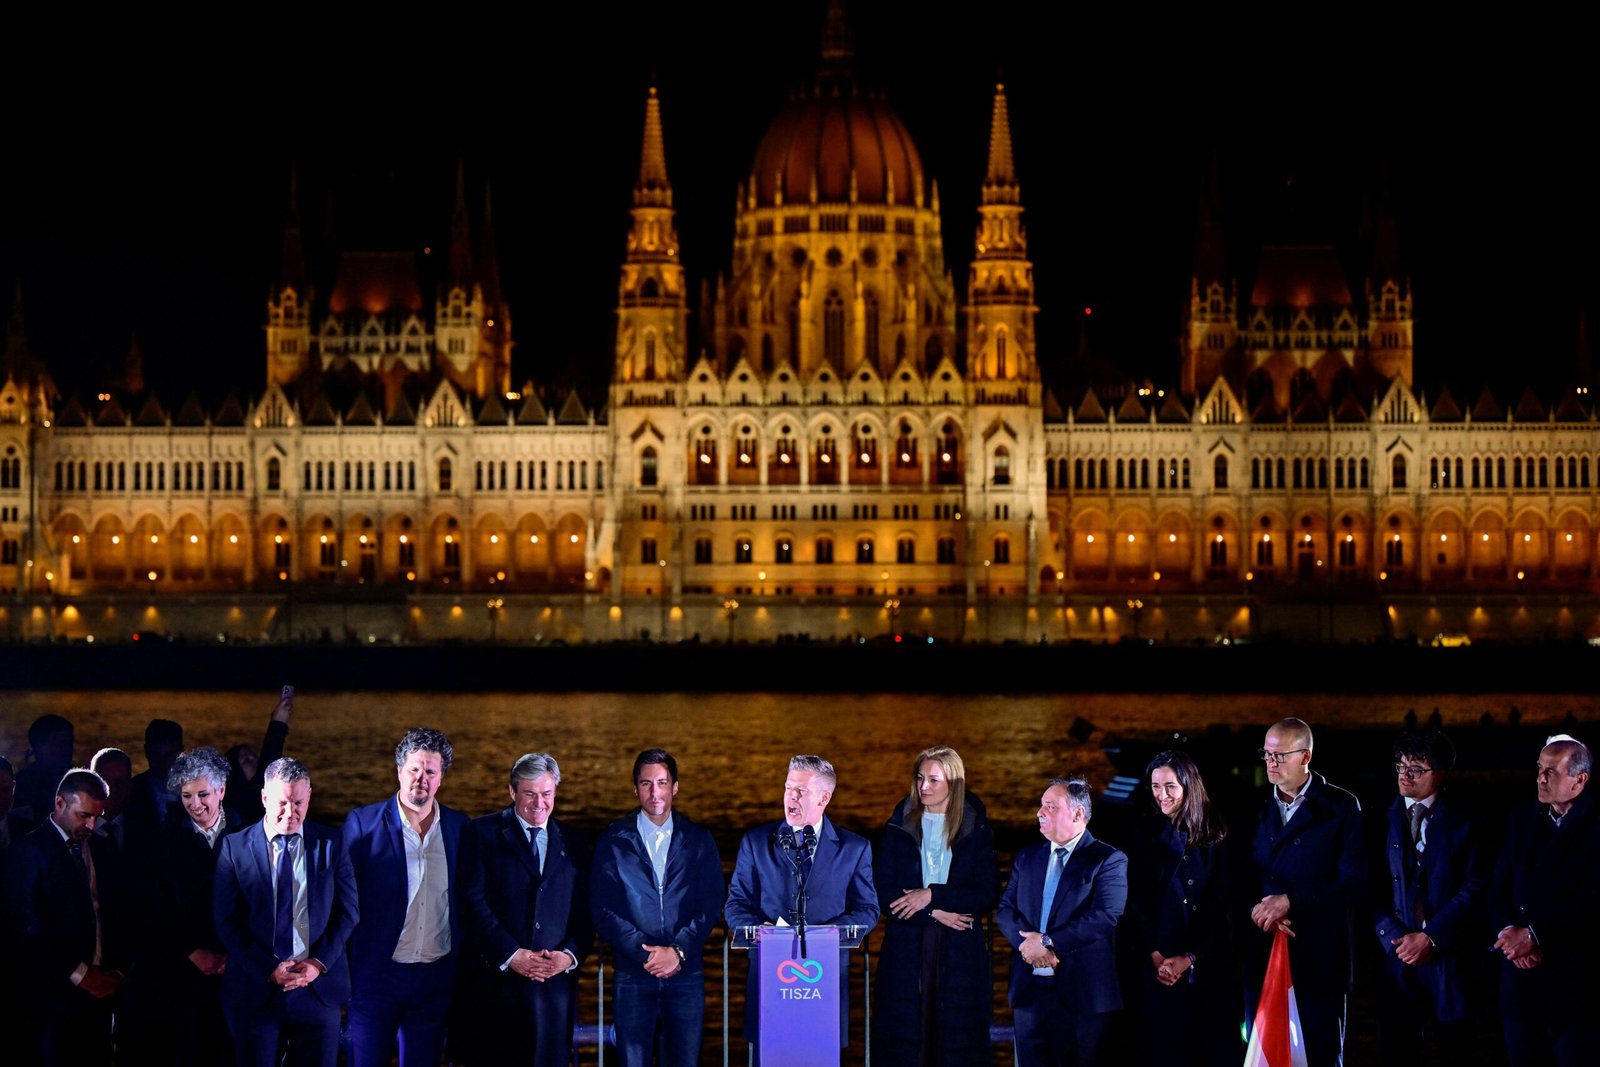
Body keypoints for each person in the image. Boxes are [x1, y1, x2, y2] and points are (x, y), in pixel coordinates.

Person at [724, 754, 879, 1059]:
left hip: (825, 981)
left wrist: (830, 934)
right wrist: (757, 929)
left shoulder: (854, 848)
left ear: (824, 797)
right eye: (788, 788)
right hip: (770, 979)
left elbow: (868, 909)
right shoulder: (756, 842)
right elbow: (736, 904)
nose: (791, 797)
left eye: (801, 791)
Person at [213, 757, 358, 1067]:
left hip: (317, 990)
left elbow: (348, 912)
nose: (290, 812)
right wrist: (268, 969)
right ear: (264, 797)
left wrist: (318, 963)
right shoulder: (234, 847)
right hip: (256, 988)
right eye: (282, 802)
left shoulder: (332, 842)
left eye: (298, 802)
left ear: (309, 796)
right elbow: (227, 922)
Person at [1241, 717, 1366, 1067]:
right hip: (1264, 951)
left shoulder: (1341, 807)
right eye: (1266, 754)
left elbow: (1354, 883)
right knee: (1263, 1052)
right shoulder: (1253, 807)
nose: (1271, 763)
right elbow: (1240, 875)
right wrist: (1260, 909)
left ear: (1305, 757)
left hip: (1319, 956)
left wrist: (1291, 901)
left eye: (1280, 755)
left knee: (1320, 1052)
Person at [341, 727, 469, 1067]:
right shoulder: (362, 824)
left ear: (441, 777)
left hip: (435, 981)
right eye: (414, 769)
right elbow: (342, 900)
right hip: (376, 978)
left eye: (430, 771)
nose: (420, 779)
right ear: (399, 771)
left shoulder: (460, 828)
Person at [589, 748, 726, 1067]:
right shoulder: (613, 839)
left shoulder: (698, 839)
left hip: (685, 974)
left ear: (675, 787)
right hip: (633, 974)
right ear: (635, 789)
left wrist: (678, 950)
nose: (655, 792)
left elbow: (709, 905)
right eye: (646, 783)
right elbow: (603, 907)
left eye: (662, 783)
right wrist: (646, 953)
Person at [459, 752, 593, 1067]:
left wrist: (568, 956)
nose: (539, 803)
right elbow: (471, 903)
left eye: (546, 793)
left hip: (553, 993)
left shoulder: (575, 842)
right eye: (529, 794)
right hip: (495, 990)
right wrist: (511, 954)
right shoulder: (481, 833)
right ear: (512, 791)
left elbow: (586, 910)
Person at [871, 744, 1000, 1067]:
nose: (923, 787)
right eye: (919, 778)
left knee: (957, 1041)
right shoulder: (899, 825)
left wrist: (932, 895)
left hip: (960, 949)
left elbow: (986, 893)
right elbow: (886, 892)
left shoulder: (975, 828)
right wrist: (936, 912)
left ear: (954, 783)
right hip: (906, 947)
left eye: (933, 780)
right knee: (906, 1039)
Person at [1371, 730, 1488, 1066]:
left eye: (1416, 769)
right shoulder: (1379, 818)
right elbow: (1371, 886)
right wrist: (1394, 937)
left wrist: (1432, 936)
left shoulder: (1467, 820)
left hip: (1450, 957)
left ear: (1441, 773)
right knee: (1397, 1049)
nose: (1405, 775)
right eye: (1400, 766)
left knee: (1456, 1048)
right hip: (1396, 956)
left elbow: (1475, 885)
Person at [997, 776, 1126, 1067]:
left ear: (1078, 814)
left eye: (1050, 806)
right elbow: (1005, 909)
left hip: (1083, 996)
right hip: (1029, 995)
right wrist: (1029, 948)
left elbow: (1105, 916)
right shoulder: (1027, 857)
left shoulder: (1108, 859)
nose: (1039, 813)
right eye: (1041, 805)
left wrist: (1047, 942)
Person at [3, 767, 130, 1065]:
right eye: (83, 815)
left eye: (97, 816)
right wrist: (81, 974)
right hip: (52, 998)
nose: (91, 824)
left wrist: (116, 972)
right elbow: (26, 929)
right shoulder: (29, 852)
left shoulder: (102, 848)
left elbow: (118, 913)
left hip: (102, 992)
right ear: (60, 803)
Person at [1490, 734, 1600, 1065]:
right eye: (1539, 768)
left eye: (1551, 771)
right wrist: (1509, 934)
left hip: (1575, 988)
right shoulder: (1521, 819)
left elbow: (1592, 901)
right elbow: (1499, 886)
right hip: (1519, 985)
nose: (1540, 778)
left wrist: (1536, 936)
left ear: (1579, 780)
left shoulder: (1596, 826)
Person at [1122, 750, 1237, 1065]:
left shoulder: (1216, 834)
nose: (1162, 795)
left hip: (1205, 962)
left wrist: (1190, 956)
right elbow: (1133, 900)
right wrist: (1155, 955)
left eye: (1170, 786)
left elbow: (1219, 903)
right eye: (1156, 786)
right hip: (1156, 961)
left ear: (1188, 785)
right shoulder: (1143, 833)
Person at [128, 746, 237, 1065]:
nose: (196, 804)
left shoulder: (247, 834)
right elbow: (151, 905)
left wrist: (238, 953)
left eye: (203, 795)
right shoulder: (161, 841)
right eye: (187, 796)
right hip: (178, 971)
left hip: (235, 967)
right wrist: (192, 950)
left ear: (221, 790)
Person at [226, 687, 295, 828]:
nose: (252, 759)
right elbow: (266, 773)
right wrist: (278, 724)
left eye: (253, 755)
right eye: (245, 760)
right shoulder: (240, 803)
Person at [127, 718, 185, 836]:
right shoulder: (130, 791)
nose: (162, 761)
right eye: (157, 753)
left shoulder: (201, 791)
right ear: (147, 751)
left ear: (180, 753)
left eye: (169, 754)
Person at [13, 713, 75, 822]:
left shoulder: (81, 782)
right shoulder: (19, 787)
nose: (65, 749)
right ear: (37, 746)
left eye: (69, 742)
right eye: (57, 743)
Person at [89, 747, 135, 856]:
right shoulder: (74, 829)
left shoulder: (144, 830)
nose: (112, 788)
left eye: (119, 782)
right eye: (105, 781)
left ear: (129, 786)